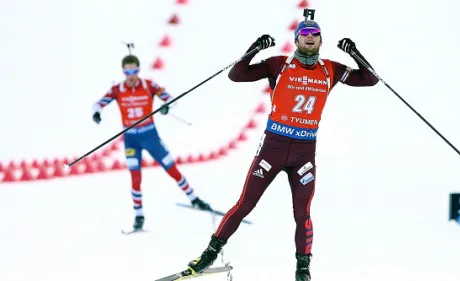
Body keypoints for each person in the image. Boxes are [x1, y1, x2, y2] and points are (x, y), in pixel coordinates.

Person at [183, 15, 379, 281]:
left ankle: (302, 270)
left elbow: (370, 79)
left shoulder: (330, 69)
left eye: (315, 34)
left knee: (302, 213)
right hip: (273, 148)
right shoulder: (279, 64)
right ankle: (208, 255)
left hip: (303, 153)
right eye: (305, 34)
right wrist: (254, 48)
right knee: (245, 204)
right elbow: (237, 75)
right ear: (296, 39)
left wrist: (355, 53)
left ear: (321, 40)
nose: (310, 37)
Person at [92, 54, 212, 231]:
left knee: (170, 167)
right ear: (123, 72)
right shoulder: (118, 89)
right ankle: (139, 215)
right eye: (127, 71)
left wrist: (166, 107)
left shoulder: (149, 85)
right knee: (135, 176)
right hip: (131, 139)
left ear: (139, 70)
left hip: (150, 136)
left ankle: (194, 199)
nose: (131, 75)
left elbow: (172, 100)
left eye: (134, 70)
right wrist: (97, 113)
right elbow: (98, 103)